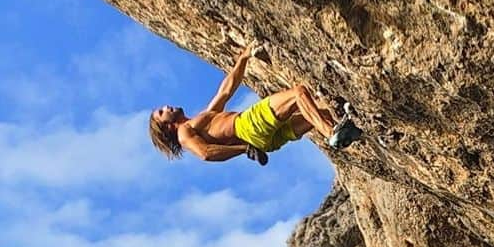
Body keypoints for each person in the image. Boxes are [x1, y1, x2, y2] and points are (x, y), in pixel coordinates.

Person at [148, 44, 362, 164]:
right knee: (298, 93)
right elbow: (206, 153)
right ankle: (331, 133)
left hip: (265, 143)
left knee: (321, 110)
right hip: (248, 126)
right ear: (167, 126)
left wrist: (243, 58)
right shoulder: (184, 132)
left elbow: (226, 90)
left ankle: (351, 129)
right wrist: (244, 149)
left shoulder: (201, 121)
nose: (167, 106)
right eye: (161, 112)